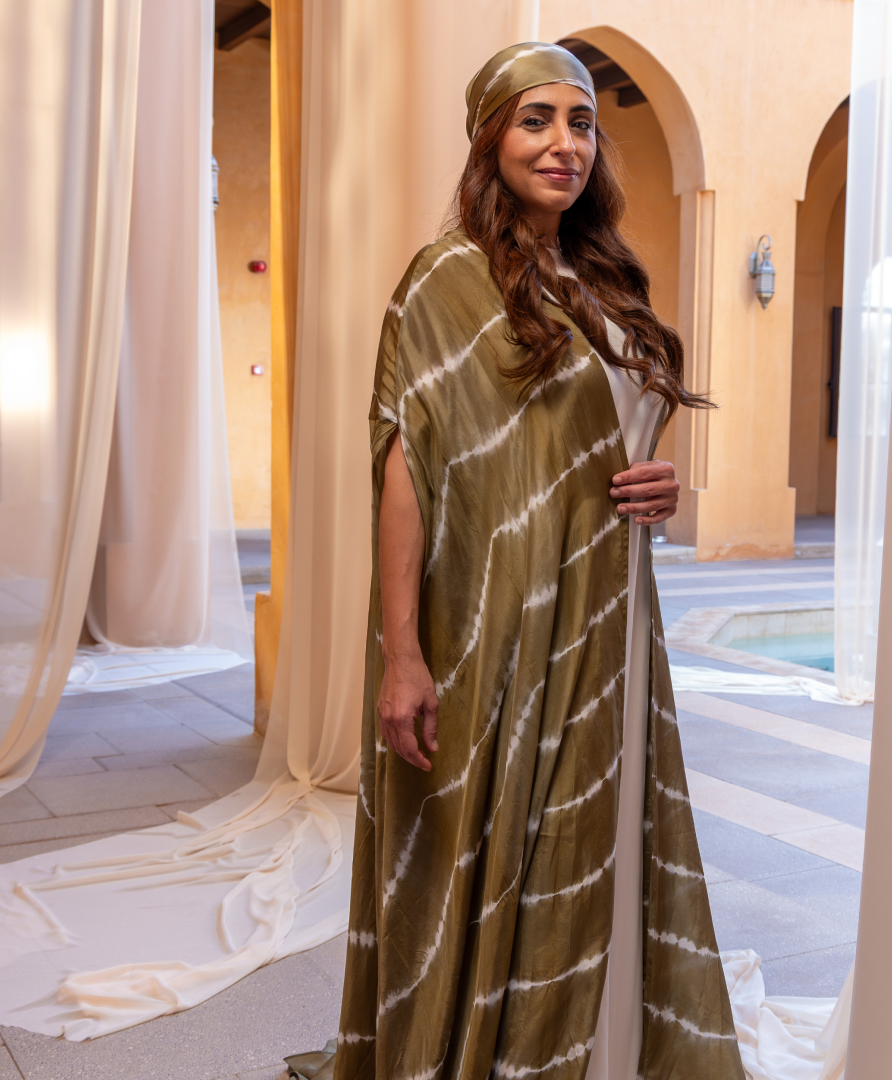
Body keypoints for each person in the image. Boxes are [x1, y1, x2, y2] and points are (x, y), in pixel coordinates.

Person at [326, 42, 743, 1080]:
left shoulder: (602, 275)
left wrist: (663, 482)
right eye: (535, 120)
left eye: (582, 123)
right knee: (501, 836)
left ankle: (599, 1051)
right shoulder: (445, 280)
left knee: (596, 829)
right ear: (490, 139)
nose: (565, 144)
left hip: (610, 618)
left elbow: (610, 435)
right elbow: (405, 472)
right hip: (496, 621)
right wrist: (401, 656)